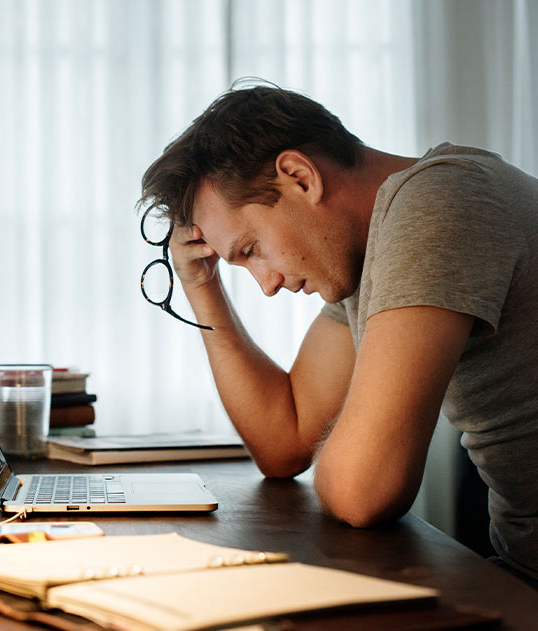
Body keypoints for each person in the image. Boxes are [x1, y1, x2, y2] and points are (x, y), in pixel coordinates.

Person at [138, 83, 538, 585]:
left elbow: (363, 490)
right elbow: (285, 443)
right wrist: (202, 285)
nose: (266, 285)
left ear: (299, 177)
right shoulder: (367, 252)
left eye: (252, 248)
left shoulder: (443, 202)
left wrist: (350, 455)